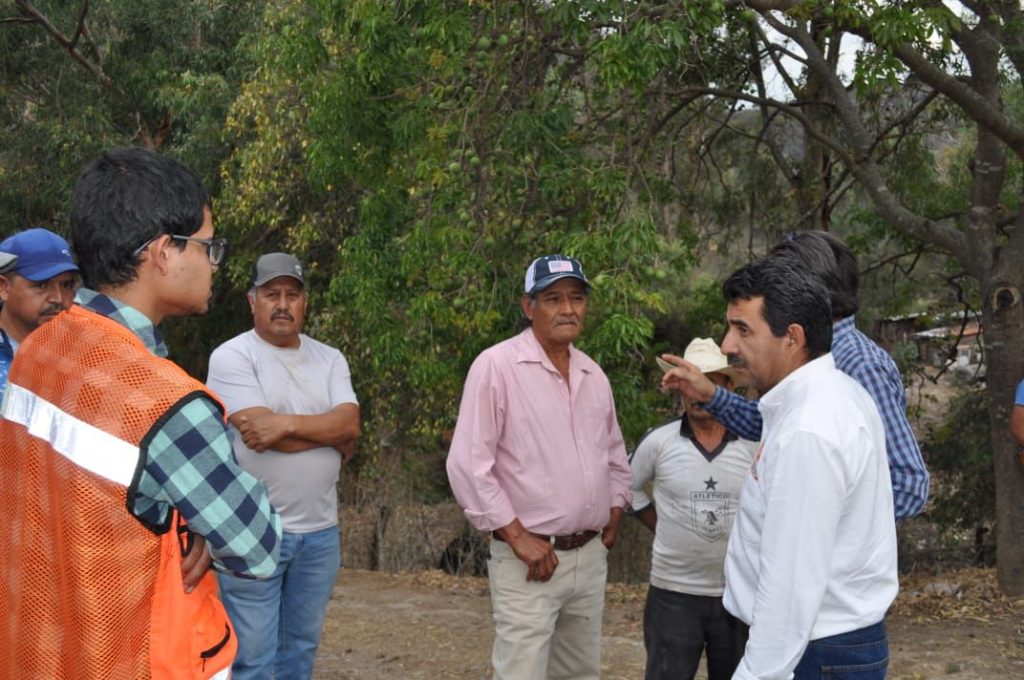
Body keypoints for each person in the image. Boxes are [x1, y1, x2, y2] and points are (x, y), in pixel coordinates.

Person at [0, 147, 282, 678]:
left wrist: (185, 522)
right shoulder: (168, 405)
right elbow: (257, 546)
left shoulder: (39, 351)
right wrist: (195, 525)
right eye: (207, 246)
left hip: (40, 651)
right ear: (163, 252)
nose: (214, 263)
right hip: (131, 658)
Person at [664, 256, 897, 678]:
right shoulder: (822, 398)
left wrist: (755, 674)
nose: (728, 345)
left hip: (811, 650)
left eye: (743, 329)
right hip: (820, 644)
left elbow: (790, 586)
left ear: (792, 337)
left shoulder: (809, 428)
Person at [446, 254, 632, 680]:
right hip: (529, 561)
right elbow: (468, 464)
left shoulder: (593, 374)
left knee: (579, 673)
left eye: (576, 298)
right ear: (528, 307)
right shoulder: (497, 366)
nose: (568, 309)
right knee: (522, 673)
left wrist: (615, 509)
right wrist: (516, 536)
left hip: (588, 558)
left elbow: (614, 454)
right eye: (553, 299)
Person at [661, 231, 929, 521]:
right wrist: (711, 394)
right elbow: (768, 423)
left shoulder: (859, 366)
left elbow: (908, 484)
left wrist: (824, 528)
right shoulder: (809, 358)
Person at [206, 252, 361, 680]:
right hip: (252, 530)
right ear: (251, 301)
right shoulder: (232, 356)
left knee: (299, 653)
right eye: (271, 294)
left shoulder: (330, 359)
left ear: (304, 303)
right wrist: (327, 432)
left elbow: (350, 425)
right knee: (253, 661)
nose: (282, 304)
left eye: (292, 295)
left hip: (320, 533)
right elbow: (259, 434)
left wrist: (285, 424)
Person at [629, 337, 755, 680]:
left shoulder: (753, 442)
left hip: (738, 593)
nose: (697, 393)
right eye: (689, 383)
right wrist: (662, 524)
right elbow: (627, 487)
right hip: (673, 592)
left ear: (728, 387)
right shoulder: (659, 441)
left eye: (709, 382)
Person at [0, 228, 79, 403]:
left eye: (66, 285)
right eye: (42, 285)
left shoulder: (83, 350)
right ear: (3, 287)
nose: (58, 298)